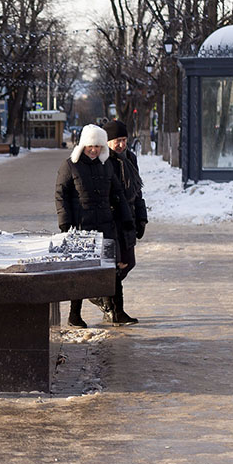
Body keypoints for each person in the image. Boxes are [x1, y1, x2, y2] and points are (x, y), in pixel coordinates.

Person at [54, 124, 133, 328]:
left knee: (111, 270)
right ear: (83, 145)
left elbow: (117, 194)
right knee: (80, 273)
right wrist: (65, 223)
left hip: (106, 225)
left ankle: (117, 312)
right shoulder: (70, 165)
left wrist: (127, 218)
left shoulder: (105, 165)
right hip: (81, 227)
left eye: (98, 146)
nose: (94, 150)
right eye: (91, 146)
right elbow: (60, 195)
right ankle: (74, 315)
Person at [88, 120, 146, 325]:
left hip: (127, 218)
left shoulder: (130, 158)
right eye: (116, 141)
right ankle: (112, 307)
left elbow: (138, 191)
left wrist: (141, 217)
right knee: (113, 265)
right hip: (110, 219)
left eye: (123, 140)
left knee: (128, 262)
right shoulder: (102, 159)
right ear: (107, 141)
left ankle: (101, 296)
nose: (121, 145)